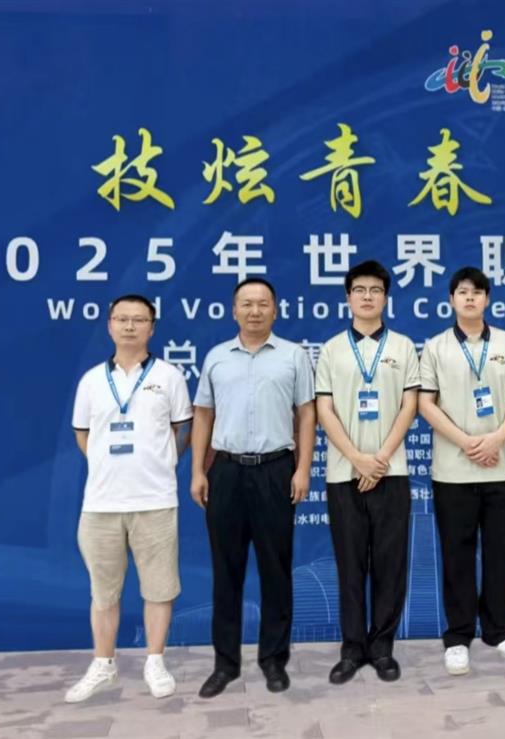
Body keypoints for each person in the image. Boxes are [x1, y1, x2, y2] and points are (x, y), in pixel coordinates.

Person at [190, 278, 316, 697]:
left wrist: (302, 469)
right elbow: (203, 415)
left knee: (275, 570)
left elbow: (306, 414)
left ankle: (273, 660)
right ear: (234, 310)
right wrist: (198, 471)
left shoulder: (293, 356)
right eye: (247, 304)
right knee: (226, 571)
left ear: (275, 310)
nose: (255, 311)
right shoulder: (216, 357)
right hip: (225, 471)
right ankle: (225, 664)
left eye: (263, 304)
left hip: (275, 469)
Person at [66, 294, 192, 702]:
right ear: (110, 325)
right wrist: (108, 464)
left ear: (152, 328)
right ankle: (103, 664)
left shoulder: (169, 376)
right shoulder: (91, 381)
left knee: (159, 588)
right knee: (103, 592)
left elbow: (183, 429)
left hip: (155, 499)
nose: (130, 326)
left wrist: (160, 462)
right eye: (122, 319)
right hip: (101, 503)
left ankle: (155, 660)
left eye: (139, 320)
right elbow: (83, 435)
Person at [418, 267, 505, 675]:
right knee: (457, 554)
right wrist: (467, 442)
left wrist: (497, 438)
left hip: (504, 466)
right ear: (451, 299)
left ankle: (500, 631)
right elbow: (425, 403)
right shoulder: (435, 347)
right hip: (454, 469)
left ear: (487, 299)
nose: (470, 298)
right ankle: (458, 637)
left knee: (504, 552)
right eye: (463, 292)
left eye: (477, 292)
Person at [315, 260, 420, 684]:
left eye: (375, 290)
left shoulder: (404, 347)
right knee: (350, 564)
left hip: (391, 472)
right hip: (344, 473)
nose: (367, 296)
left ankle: (382, 648)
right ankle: (352, 649)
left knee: (391, 565)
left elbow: (409, 406)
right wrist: (358, 458)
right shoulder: (331, 349)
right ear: (348, 297)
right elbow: (324, 409)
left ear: (385, 298)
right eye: (359, 290)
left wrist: (380, 458)